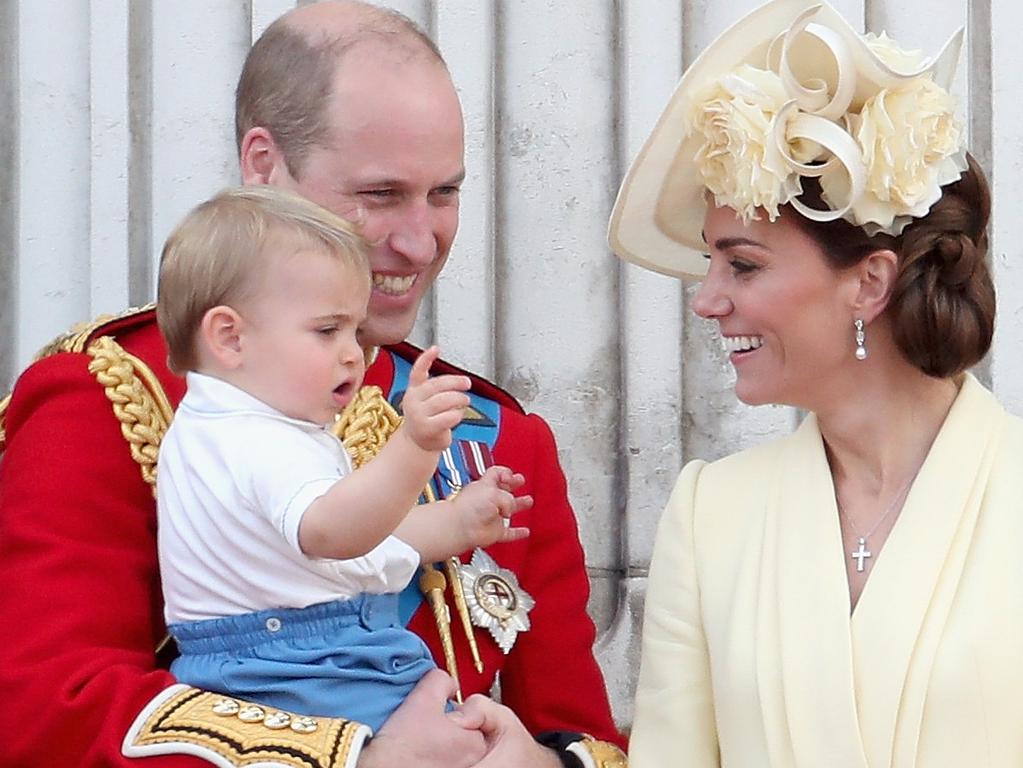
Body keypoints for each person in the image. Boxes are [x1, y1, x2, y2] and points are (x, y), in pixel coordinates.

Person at [0, 2, 626, 767]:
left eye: (444, 193)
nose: (420, 240)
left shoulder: (494, 433)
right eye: (380, 194)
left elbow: (579, 730)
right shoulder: (111, 399)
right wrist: (354, 756)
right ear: (264, 167)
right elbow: (44, 709)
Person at [608, 0, 1020, 765]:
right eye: (711, 262)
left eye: (743, 263)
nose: (706, 299)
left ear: (868, 283)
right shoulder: (710, 515)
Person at [155, 186, 529, 732]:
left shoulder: (217, 424)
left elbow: (351, 542)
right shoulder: (259, 438)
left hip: (272, 660)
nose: (354, 351)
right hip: (306, 665)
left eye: (354, 329)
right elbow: (335, 533)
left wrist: (457, 521)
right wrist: (414, 448)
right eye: (327, 330)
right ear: (230, 337)